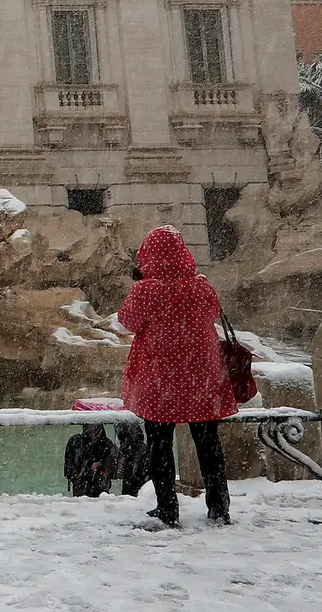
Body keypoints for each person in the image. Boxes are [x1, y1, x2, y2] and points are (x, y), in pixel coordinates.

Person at [117, 225, 240, 527]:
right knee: (208, 441)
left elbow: (127, 321)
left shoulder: (145, 289)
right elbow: (213, 312)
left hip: (161, 375)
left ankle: (167, 508)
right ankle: (219, 507)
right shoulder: (199, 285)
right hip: (201, 373)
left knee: (159, 443)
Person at [63, 423, 116, 497]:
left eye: (96, 428)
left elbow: (112, 469)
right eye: (90, 427)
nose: (94, 430)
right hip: (81, 486)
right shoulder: (76, 443)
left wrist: (101, 466)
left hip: (100, 487)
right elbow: (70, 469)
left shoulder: (107, 444)